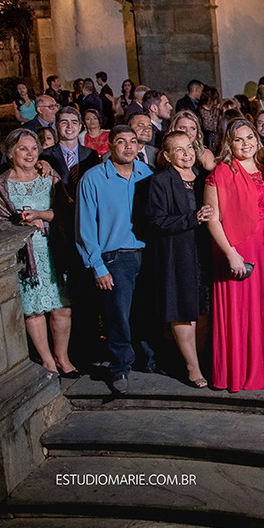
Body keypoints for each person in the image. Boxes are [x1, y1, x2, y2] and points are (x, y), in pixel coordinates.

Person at [0, 128, 77, 377]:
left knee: (62, 307)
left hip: (53, 250)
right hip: (24, 258)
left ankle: (63, 357)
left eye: (34, 148)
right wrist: (18, 223)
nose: (30, 153)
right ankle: (47, 361)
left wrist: (40, 215)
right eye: (23, 149)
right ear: (10, 152)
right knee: (34, 309)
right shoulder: (0, 186)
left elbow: (66, 212)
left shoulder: (48, 175)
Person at [204, 119, 264, 391]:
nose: (246, 144)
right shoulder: (221, 172)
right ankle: (240, 371)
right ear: (229, 142)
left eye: (249, 137)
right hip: (240, 247)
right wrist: (231, 254)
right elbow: (213, 220)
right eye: (239, 139)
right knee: (242, 312)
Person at [76, 125, 156, 395]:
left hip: (145, 252)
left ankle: (149, 359)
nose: (128, 147)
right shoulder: (93, 179)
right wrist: (97, 266)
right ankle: (120, 366)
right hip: (114, 256)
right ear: (109, 146)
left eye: (133, 141)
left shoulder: (147, 173)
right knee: (118, 315)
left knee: (145, 311)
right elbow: (84, 227)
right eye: (121, 142)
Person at [146, 131, 213, 388]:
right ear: (166, 155)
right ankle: (192, 366)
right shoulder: (160, 181)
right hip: (177, 254)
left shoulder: (204, 178)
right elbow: (155, 221)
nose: (186, 154)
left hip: (203, 252)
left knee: (204, 309)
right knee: (183, 311)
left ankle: (202, 359)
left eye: (189, 148)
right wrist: (191, 219)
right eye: (179, 150)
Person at [42, 107, 100, 196]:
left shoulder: (91, 154)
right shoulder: (45, 155)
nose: (70, 126)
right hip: (57, 206)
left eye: (74, 122)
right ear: (57, 126)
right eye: (64, 122)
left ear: (80, 126)